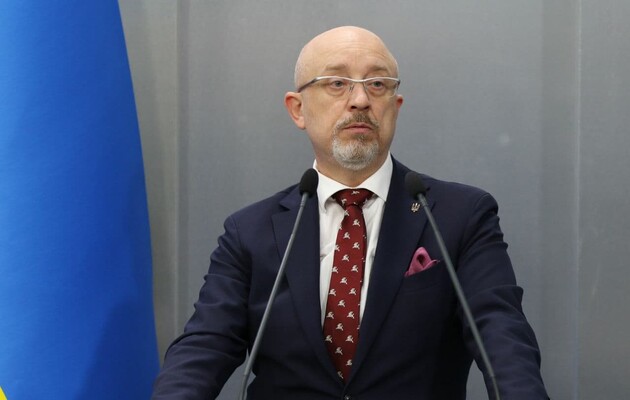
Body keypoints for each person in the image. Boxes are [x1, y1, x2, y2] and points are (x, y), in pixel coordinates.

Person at [151, 26, 549, 399]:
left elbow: (502, 338)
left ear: (395, 106)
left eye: (377, 84)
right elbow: (205, 346)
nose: (360, 100)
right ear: (297, 109)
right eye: (337, 83)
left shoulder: (459, 216)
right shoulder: (249, 232)